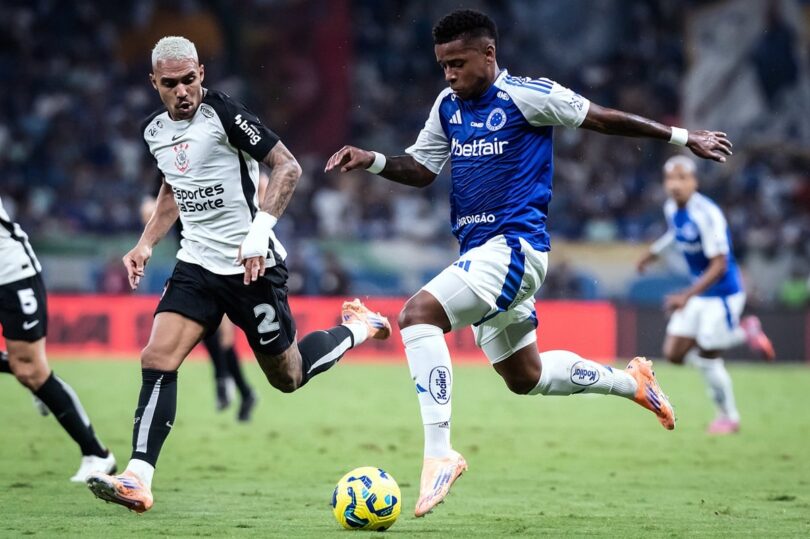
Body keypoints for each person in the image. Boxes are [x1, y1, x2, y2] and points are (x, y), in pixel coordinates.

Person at [325, 9, 733, 517]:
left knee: (415, 316)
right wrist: (375, 160)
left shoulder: (527, 95)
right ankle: (634, 384)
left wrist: (681, 137)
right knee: (525, 376)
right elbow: (424, 168)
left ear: (488, 54)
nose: (449, 74)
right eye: (442, 65)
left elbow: (602, 117)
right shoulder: (448, 106)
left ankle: (439, 454)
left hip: (515, 248)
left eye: (457, 62)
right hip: (480, 254)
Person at [86, 36, 391, 513]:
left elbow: (287, 167)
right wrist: (146, 243)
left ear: (201, 74)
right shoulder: (153, 133)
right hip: (197, 264)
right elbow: (173, 189)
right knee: (157, 357)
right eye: (171, 84)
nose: (183, 91)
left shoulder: (224, 115)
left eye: (190, 79)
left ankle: (356, 327)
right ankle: (137, 477)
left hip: (253, 268)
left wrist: (258, 233)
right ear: (154, 84)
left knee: (287, 377)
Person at [637, 155, 775, 435]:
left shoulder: (708, 214)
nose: (675, 185)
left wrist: (686, 295)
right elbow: (676, 234)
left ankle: (728, 416)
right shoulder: (671, 208)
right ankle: (744, 331)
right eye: (670, 179)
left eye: (682, 178)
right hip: (699, 293)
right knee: (673, 354)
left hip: (723, 293)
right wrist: (653, 254)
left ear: (694, 182)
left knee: (709, 354)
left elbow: (720, 264)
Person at [0, 196, 116, 482]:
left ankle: (97, 454)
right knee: (26, 368)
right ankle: (37, 382)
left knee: (30, 369)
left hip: (11, 275)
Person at [140, 191, 257, 422]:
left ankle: (227, 381)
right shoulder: (169, 175)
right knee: (207, 328)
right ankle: (238, 388)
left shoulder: (218, 175)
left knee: (221, 331)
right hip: (193, 261)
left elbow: (259, 188)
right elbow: (147, 211)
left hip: (223, 260)